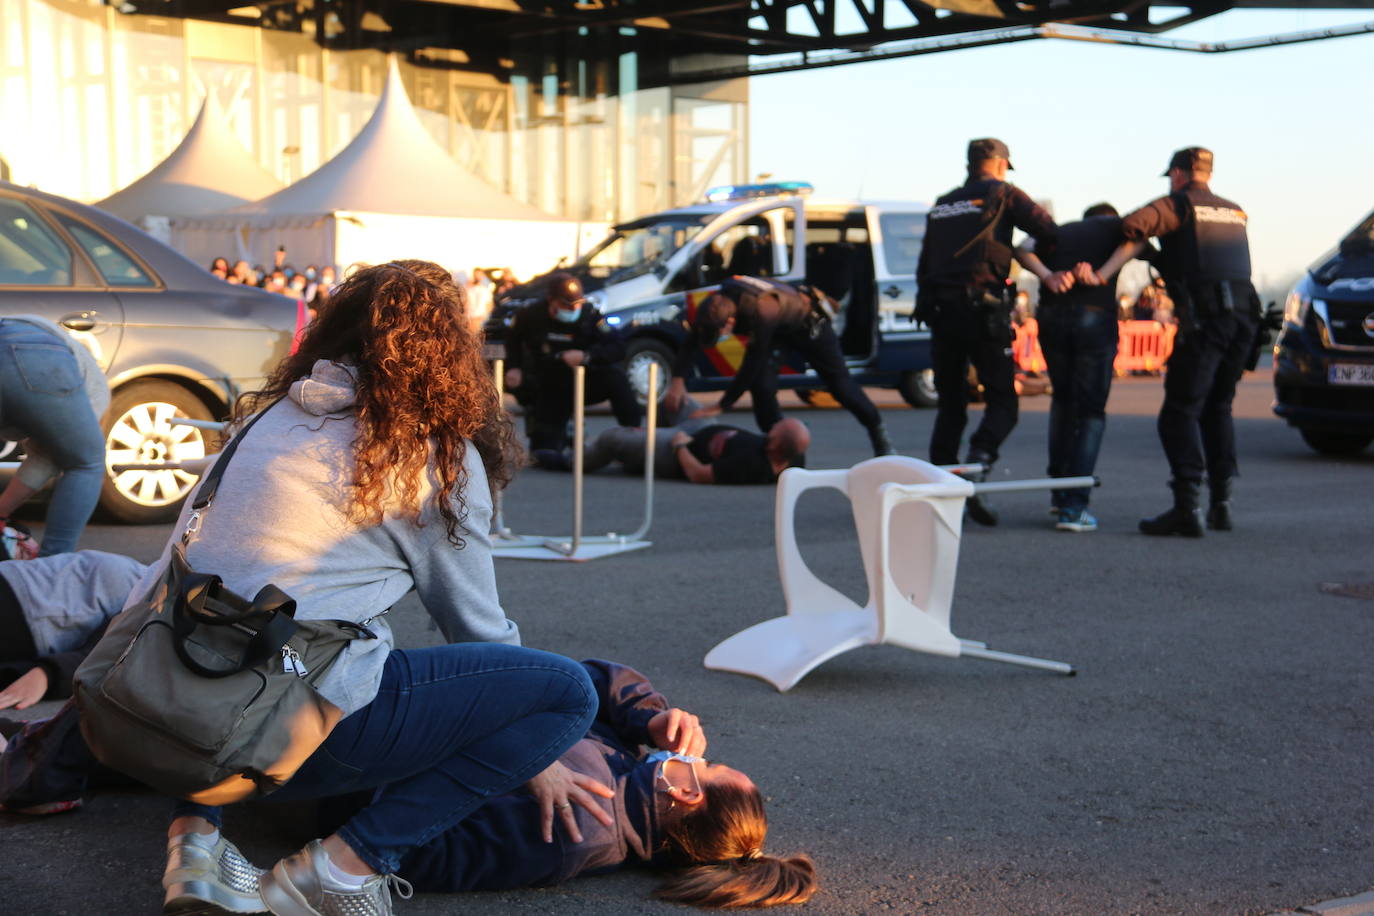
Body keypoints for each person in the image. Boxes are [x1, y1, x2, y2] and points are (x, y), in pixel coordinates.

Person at [132, 260, 610, 916]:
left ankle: (193, 841)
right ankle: (346, 867)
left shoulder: (263, 423)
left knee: (231, 631)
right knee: (563, 693)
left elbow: (168, 572)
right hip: (277, 736)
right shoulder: (431, 456)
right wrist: (543, 760)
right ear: (452, 352)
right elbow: (476, 628)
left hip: (158, 714)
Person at [323, 659, 817, 908]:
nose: (694, 752)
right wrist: (650, 716)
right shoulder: (627, 771)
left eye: (706, 765)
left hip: (345, 761)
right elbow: (578, 679)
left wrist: (517, 754)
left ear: (686, 792)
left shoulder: (577, 832)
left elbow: (425, 852)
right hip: (372, 727)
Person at [1089, 147, 1261, 536]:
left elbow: (1131, 225)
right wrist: (1163, 258)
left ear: (1181, 174)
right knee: (1218, 407)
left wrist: (1143, 246)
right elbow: (1201, 260)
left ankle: (1187, 508)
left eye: (1171, 176)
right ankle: (1221, 505)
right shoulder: (1235, 210)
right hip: (1244, 321)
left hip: (1207, 323)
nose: (1171, 182)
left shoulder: (1180, 204)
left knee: (1179, 412)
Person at [914, 138, 1058, 526]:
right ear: (999, 165)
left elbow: (924, 261)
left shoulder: (943, 202)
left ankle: (942, 488)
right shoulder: (1003, 193)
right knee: (1003, 403)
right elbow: (1048, 229)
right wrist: (1027, 252)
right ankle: (976, 469)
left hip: (942, 313)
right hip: (983, 312)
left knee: (951, 405)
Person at [1014, 203, 1146, 532]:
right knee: (1090, 413)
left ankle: (1060, 497)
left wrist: (1048, 275)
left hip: (1052, 316)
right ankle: (1074, 507)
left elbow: (1021, 248)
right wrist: (1103, 274)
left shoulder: (1061, 229)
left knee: (1063, 401)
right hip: (1092, 315)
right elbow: (1139, 242)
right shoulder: (1118, 227)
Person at [665, 275, 894, 457]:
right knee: (762, 387)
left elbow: (752, 361)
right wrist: (677, 381)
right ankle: (779, 445)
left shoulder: (761, 308)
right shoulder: (716, 301)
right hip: (780, 330)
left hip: (808, 323)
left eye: (719, 333)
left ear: (731, 323)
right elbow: (695, 336)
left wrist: (722, 404)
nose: (717, 338)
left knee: (840, 387)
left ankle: (878, 431)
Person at [504, 271, 641, 468]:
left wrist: (587, 356)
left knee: (616, 378)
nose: (573, 308)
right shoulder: (530, 315)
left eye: (576, 303)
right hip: (549, 383)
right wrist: (514, 367)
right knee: (545, 455)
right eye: (566, 305)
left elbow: (618, 346)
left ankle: (633, 434)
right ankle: (549, 432)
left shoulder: (589, 314)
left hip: (584, 378)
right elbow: (512, 339)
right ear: (551, 300)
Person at [0, 315, 111, 556]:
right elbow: (50, 458)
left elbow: (42, 458)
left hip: (20, 332)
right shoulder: (97, 392)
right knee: (86, 463)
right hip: (37, 350)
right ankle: (52, 565)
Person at [584, 400, 809, 485]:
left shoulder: (749, 466)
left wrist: (680, 445)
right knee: (673, 400)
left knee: (612, 438)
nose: (772, 426)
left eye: (776, 429)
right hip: (702, 429)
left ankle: (570, 461)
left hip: (680, 450)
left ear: (774, 444)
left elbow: (698, 474)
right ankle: (640, 458)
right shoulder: (793, 456)